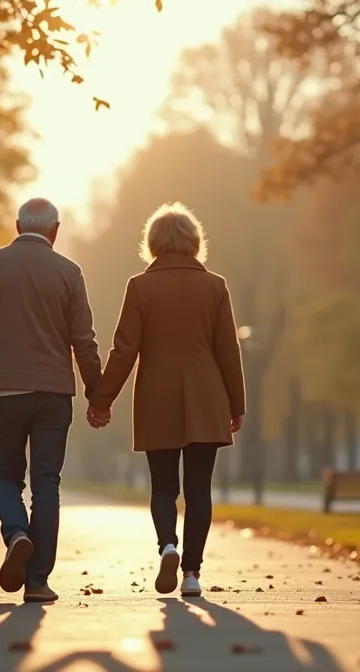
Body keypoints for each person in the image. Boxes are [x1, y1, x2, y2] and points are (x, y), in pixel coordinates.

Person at [87, 202, 245, 598]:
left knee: (162, 487)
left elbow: (124, 350)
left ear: (153, 243)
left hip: (156, 393)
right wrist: (236, 403)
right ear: (195, 242)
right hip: (206, 394)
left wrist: (102, 399)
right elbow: (228, 349)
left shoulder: (140, 287)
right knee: (199, 489)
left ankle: (167, 546)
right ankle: (191, 573)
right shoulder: (215, 286)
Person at [0, 197, 102, 604]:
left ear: (18, 226)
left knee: (4, 477)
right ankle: (37, 581)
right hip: (54, 393)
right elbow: (83, 340)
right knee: (46, 485)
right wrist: (97, 394)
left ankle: (16, 533)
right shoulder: (69, 272)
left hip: (5, 391)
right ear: (56, 230)